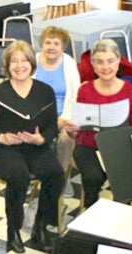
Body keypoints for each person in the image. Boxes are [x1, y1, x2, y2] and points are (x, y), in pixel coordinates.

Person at [0, 40, 65, 254]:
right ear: (7, 66)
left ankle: (41, 226)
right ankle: (13, 228)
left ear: (32, 64)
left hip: (35, 146)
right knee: (19, 175)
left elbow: (52, 125)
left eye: (24, 60)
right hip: (3, 149)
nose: (20, 65)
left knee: (55, 173)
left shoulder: (45, 91)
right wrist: (1, 137)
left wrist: (42, 139)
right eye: (14, 61)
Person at [70, 39, 132, 208]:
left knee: (125, 178)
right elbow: (79, 131)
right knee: (92, 177)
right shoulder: (85, 89)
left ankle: (122, 215)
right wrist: (73, 130)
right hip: (89, 145)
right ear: (94, 66)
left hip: (120, 146)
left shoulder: (131, 90)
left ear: (118, 62)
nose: (105, 67)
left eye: (110, 61)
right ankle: (90, 211)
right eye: (99, 62)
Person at [34, 26, 81, 197]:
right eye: (47, 42)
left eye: (56, 43)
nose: (51, 47)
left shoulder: (68, 63)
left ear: (63, 47)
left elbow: (76, 94)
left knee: (66, 139)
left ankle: (60, 179)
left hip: (64, 116)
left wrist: (64, 118)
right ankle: (30, 176)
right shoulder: (33, 61)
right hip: (36, 116)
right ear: (41, 44)